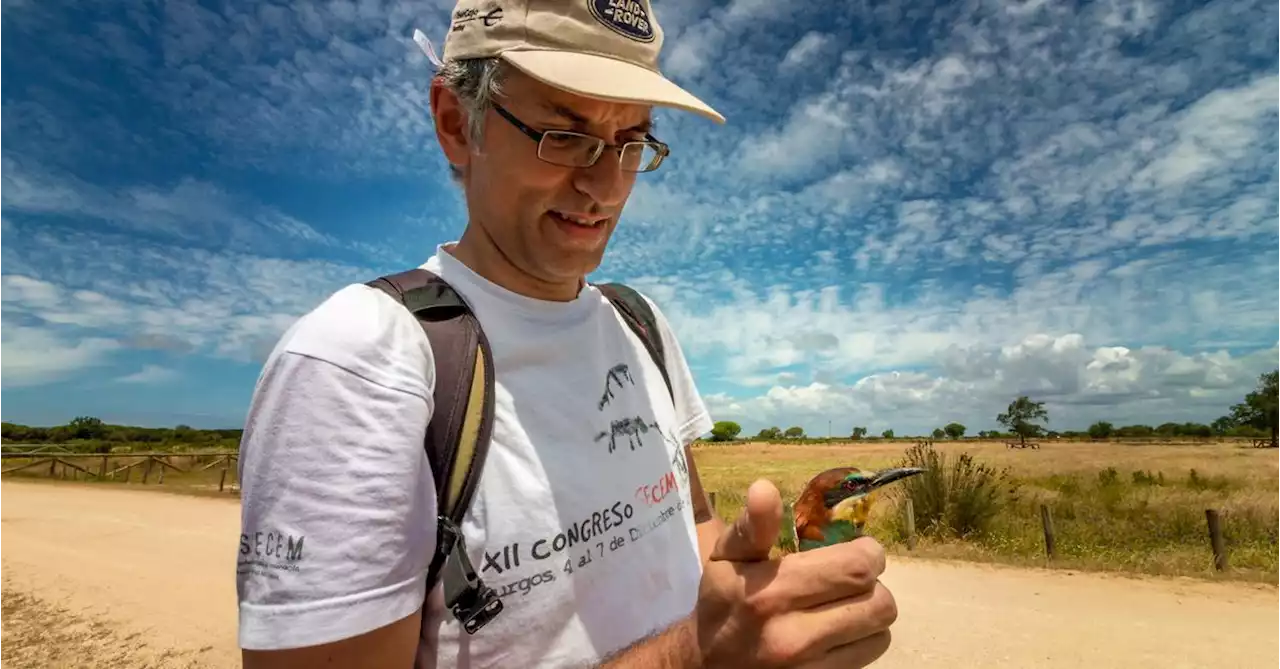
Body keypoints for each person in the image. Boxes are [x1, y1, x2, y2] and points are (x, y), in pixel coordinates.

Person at [235, 1, 900, 667]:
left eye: (632, 141)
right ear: (455, 122)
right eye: (565, 133)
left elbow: (689, 527)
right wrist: (695, 657)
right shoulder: (355, 366)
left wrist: (760, 609)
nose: (606, 186)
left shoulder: (639, 324)